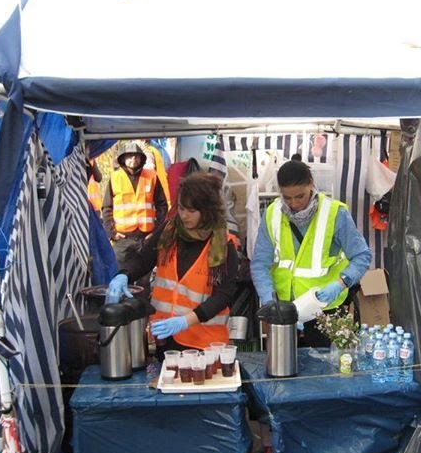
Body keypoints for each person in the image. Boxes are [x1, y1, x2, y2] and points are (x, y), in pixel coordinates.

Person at [105, 172, 239, 357]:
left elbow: (224, 294)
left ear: (207, 210)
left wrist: (186, 321)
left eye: (192, 211)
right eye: (182, 208)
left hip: (205, 345)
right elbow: (144, 259)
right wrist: (124, 275)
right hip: (166, 339)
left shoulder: (224, 244)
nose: (184, 216)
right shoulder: (169, 231)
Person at [250, 159, 372, 347]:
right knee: (282, 367)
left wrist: (341, 283)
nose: (294, 204)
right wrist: (268, 299)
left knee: (324, 370)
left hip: (324, 312)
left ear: (311, 185)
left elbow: (362, 256)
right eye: (287, 197)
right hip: (284, 311)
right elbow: (260, 263)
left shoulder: (335, 213)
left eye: (300, 196)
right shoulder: (272, 213)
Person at [101, 141, 168, 294]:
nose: (133, 159)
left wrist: (156, 232)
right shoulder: (115, 177)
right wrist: (111, 233)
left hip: (146, 238)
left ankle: (141, 314)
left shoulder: (151, 176)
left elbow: (162, 205)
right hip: (122, 239)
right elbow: (106, 208)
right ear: (123, 159)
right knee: (120, 278)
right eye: (129, 156)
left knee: (143, 282)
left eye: (136, 156)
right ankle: (120, 313)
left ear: (142, 159)